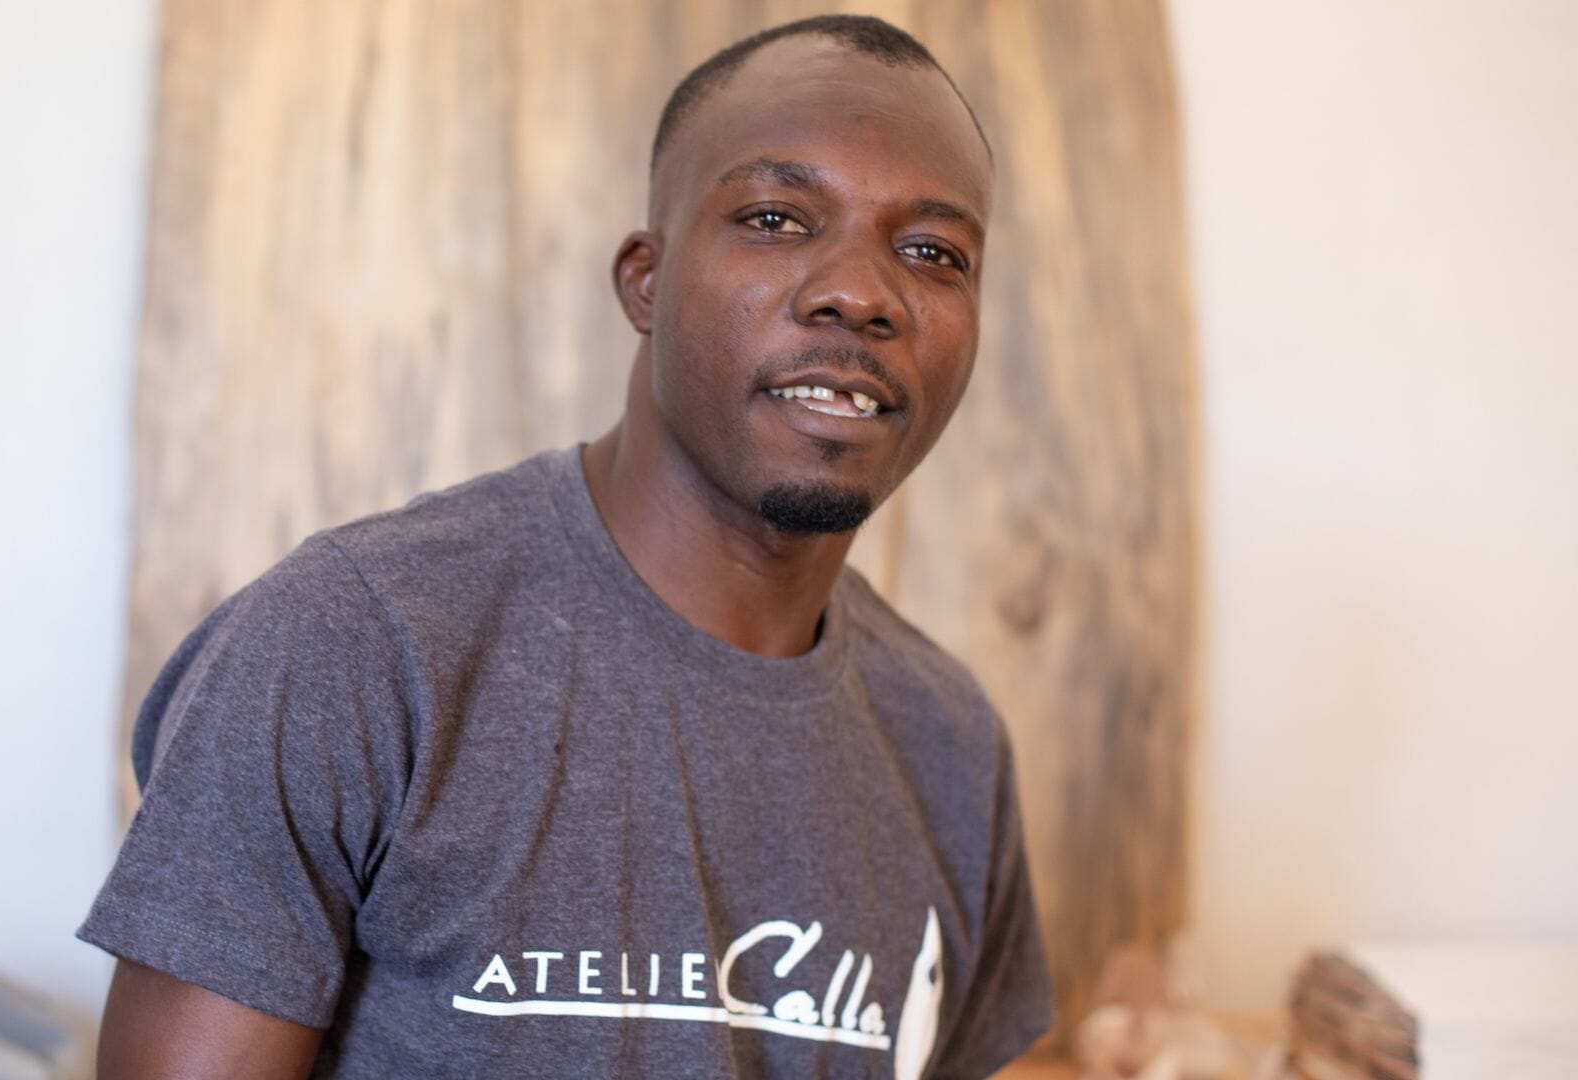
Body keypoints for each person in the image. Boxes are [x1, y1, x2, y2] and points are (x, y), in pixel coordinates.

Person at [80, 14, 1054, 1079]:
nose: (862, 293)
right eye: (776, 217)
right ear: (645, 280)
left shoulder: (951, 743)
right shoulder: (352, 646)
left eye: (932, 252)